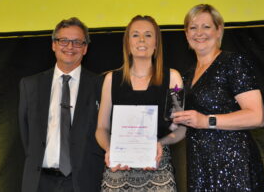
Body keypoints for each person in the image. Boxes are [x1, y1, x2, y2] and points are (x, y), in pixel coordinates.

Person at [172, 4, 264, 191]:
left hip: (234, 164)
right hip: (200, 166)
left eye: (206, 26)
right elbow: (181, 128)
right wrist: (157, 144)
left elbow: (257, 117)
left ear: (219, 31)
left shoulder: (233, 63)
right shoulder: (185, 77)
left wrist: (206, 121)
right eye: (193, 27)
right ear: (186, 34)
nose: (199, 32)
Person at [96, 15, 186, 191]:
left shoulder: (173, 78)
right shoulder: (110, 80)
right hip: (118, 170)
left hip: (158, 168)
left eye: (148, 35)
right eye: (135, 35)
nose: (142, 40)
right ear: (127, 43)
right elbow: (101, 128)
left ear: (156, 43)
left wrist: (162, 143)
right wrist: (110, 150)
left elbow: (180, 127)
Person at [18, 17, 104, 192]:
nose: (70, 47)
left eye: (77, 42)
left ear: (85, 48)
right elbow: (26, 134)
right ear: (53, 45)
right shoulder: (30, 85)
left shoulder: (101, 85)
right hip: (39, 182)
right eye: (63, 41)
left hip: (84, 182)